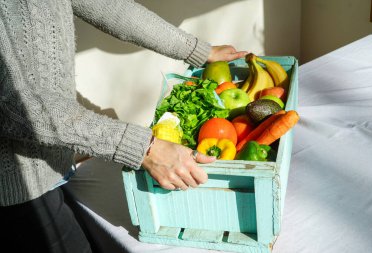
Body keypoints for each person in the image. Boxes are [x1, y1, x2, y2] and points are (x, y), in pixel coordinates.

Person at [0, 1, 247, 252]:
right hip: (15, 186)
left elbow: (110, 8)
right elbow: (11, 106)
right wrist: (143, 148)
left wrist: (196, 50)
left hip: (53, 163)